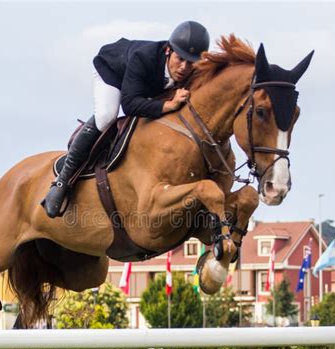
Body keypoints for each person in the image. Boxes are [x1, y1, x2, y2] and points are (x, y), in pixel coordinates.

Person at [41, 21, 210, 218]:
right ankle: (62, 181)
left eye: (190, 63)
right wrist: (167, 106)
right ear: (168, 50)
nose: (183, 67)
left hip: (144, 86)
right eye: (179, 59)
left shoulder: (191, 70)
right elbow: (129, 104)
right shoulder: (143, 57)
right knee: (106, 116)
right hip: (113, 72)